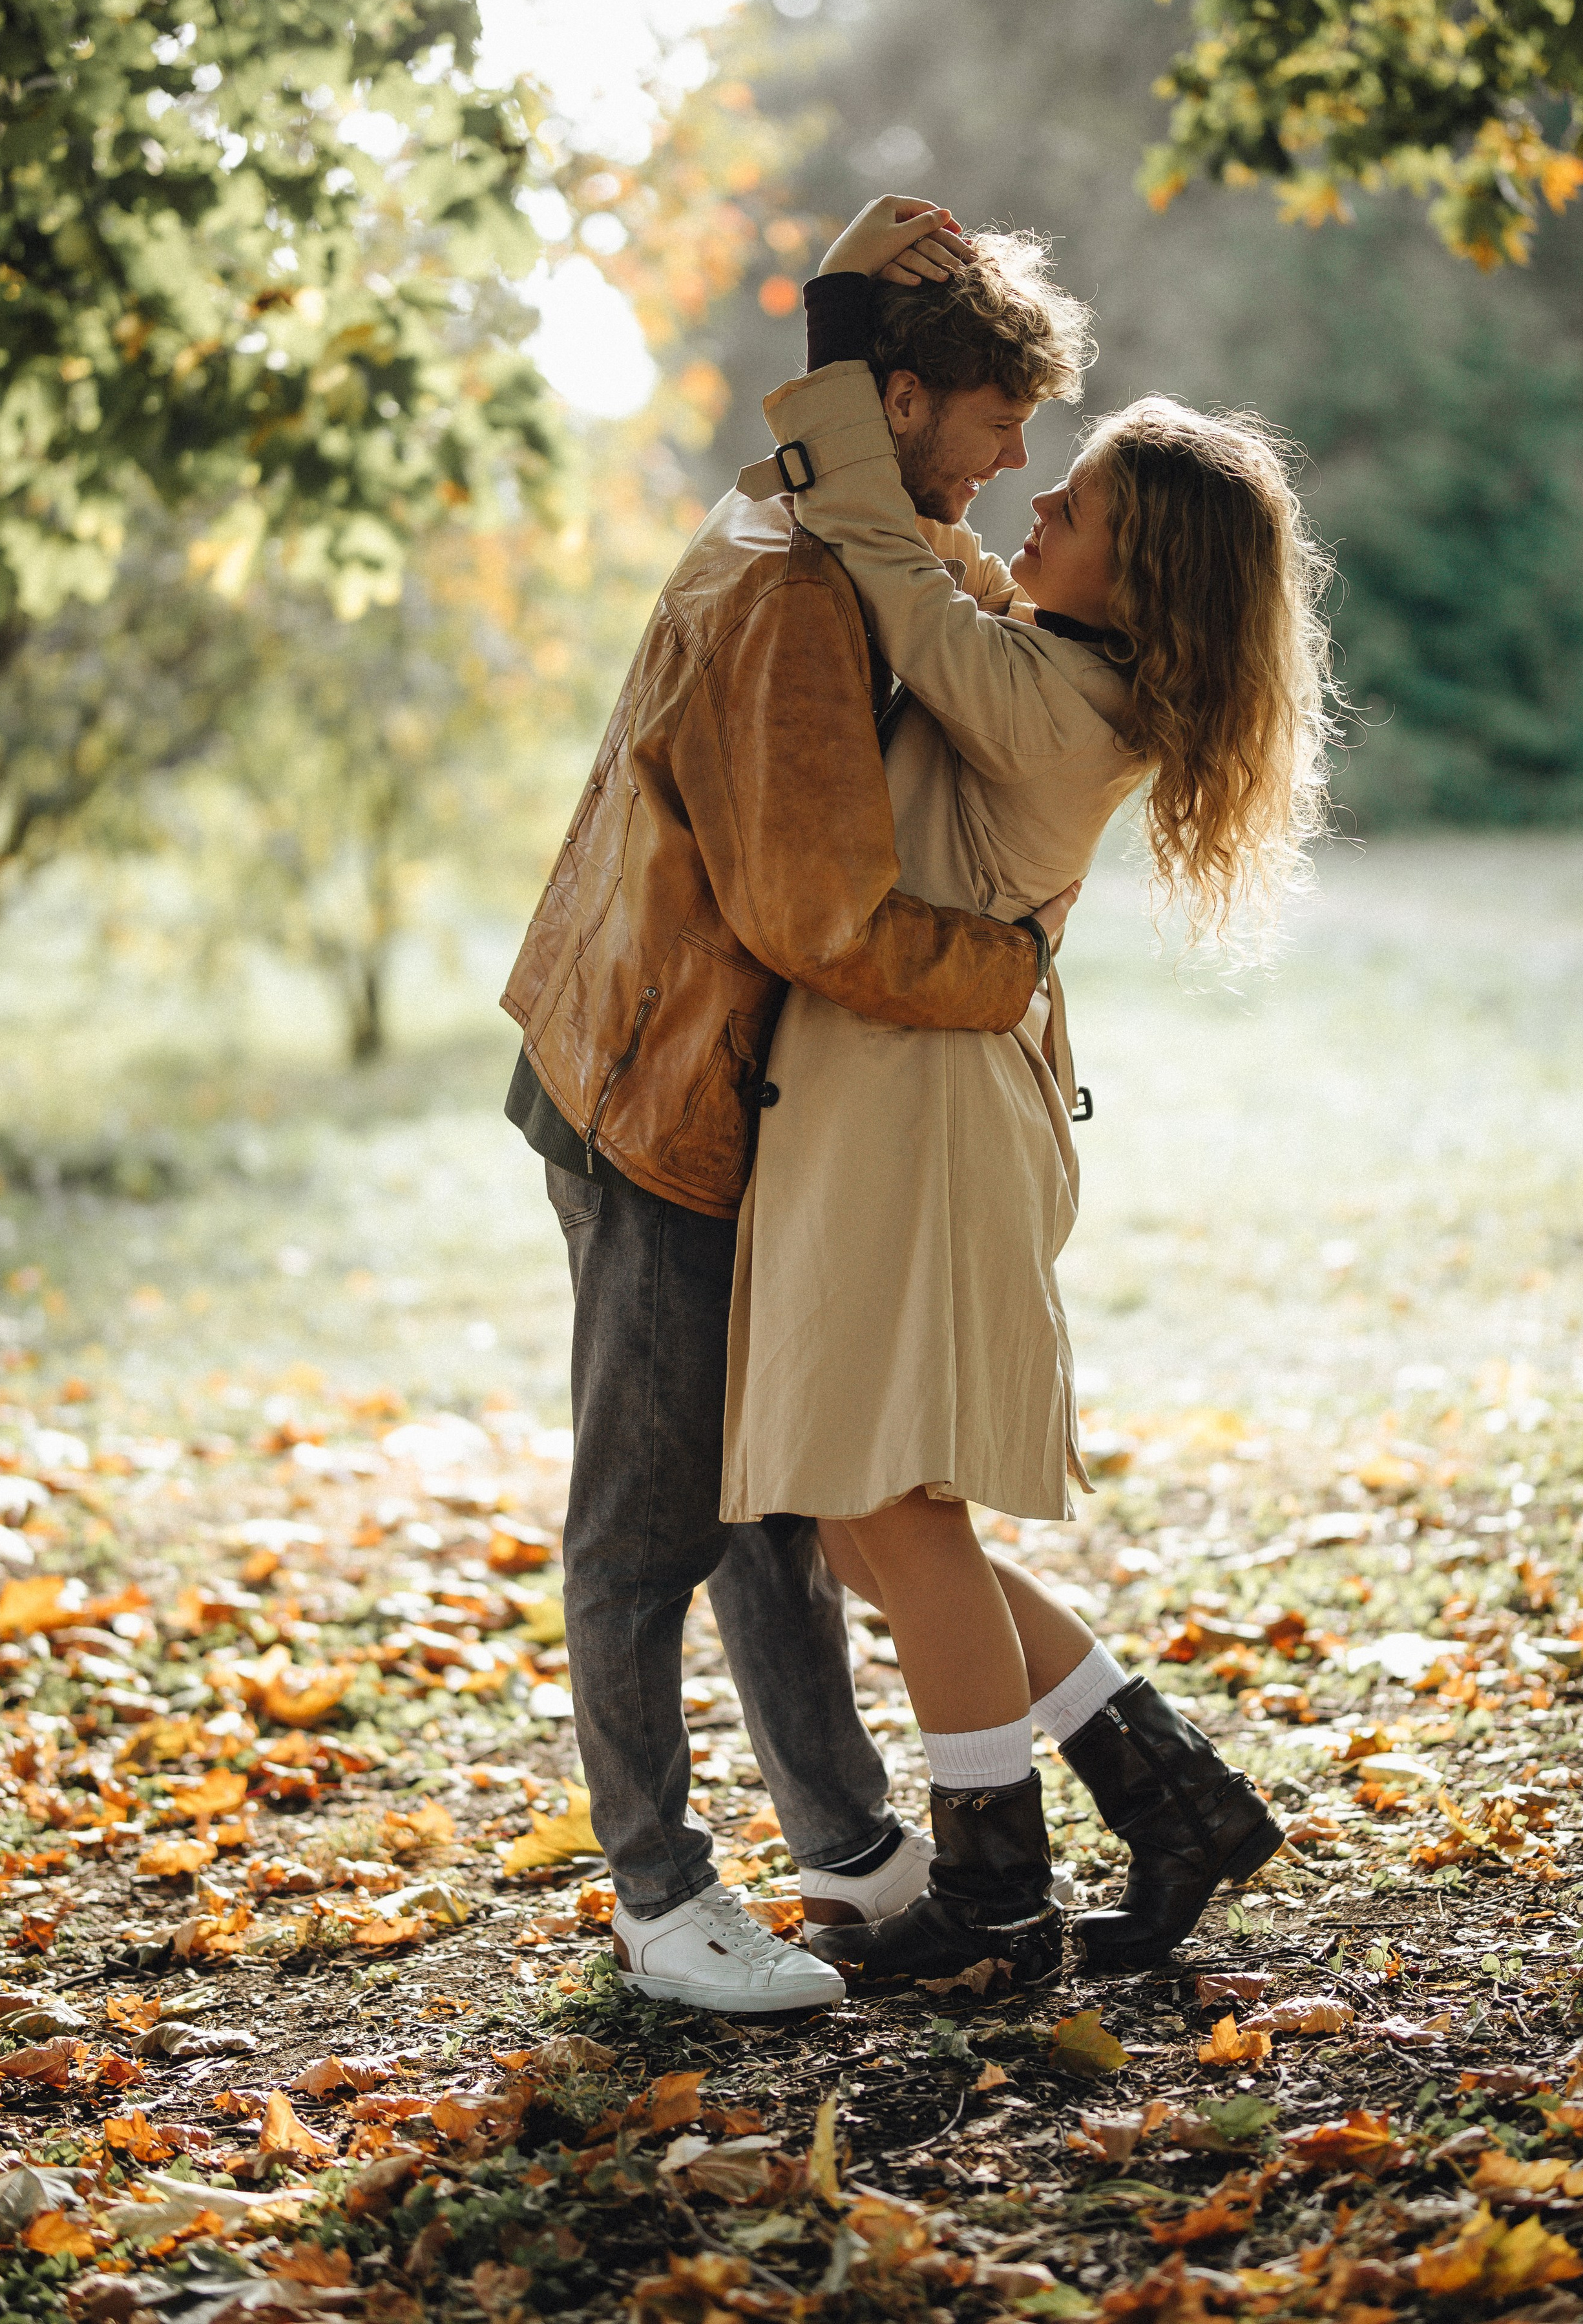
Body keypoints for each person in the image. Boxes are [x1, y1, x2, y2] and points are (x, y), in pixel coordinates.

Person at [725, 196, 1337, 1988]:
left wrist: (847, 307)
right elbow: (935, 558)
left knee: (897, 1519)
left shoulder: (1051, 698)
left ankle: (995, 1908)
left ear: (1140, 578)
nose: (1031, 504)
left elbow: (883, 534)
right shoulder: (1046, 656)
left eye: (1072, 509)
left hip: (925, 1128)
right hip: (895, 1106)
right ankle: (1170, 1793)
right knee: (865, 1520)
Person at [499, 215, 1093, 2015]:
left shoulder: (855, 532)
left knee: (781, 1496)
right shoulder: (784, 584)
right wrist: (1018, 969)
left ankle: (844, 1847)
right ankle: (659, 1897)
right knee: (653, 1515)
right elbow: (817, 915)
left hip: (730, 1093)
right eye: (995, 419)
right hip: (657, 1099)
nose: (1015, 461)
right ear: (898, 400)